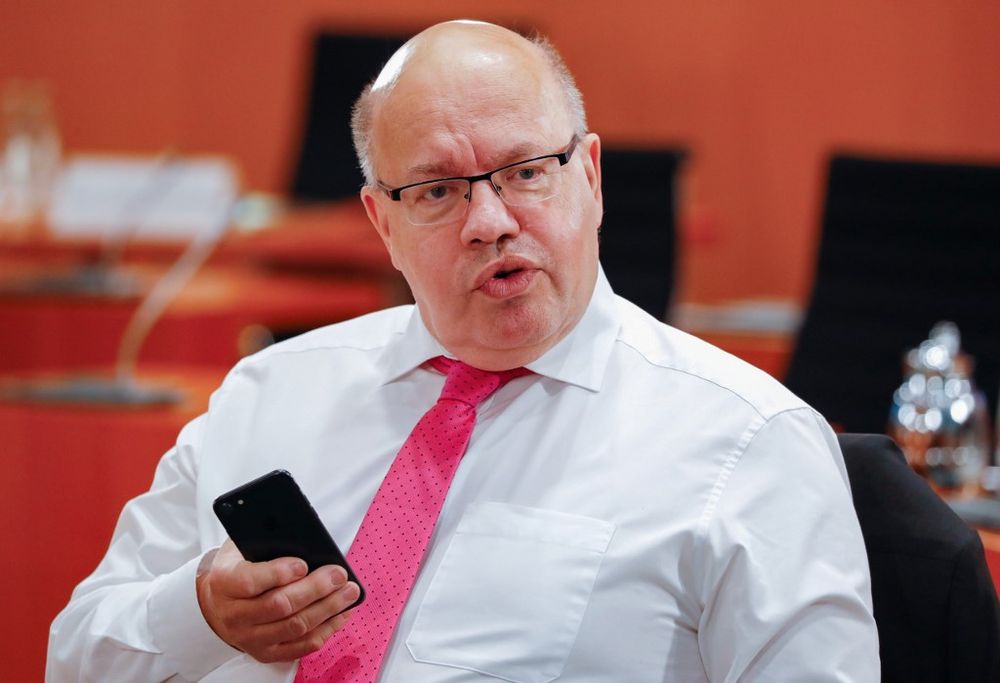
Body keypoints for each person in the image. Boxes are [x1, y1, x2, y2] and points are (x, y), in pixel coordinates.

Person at [47, 20, 880, 682]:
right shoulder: (267, 393)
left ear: (590, 176)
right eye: (438, 190)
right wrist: (200, 613)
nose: (489, 221)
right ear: (383, 223)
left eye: (526, 171)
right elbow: (74, 656)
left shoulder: (748, 442)